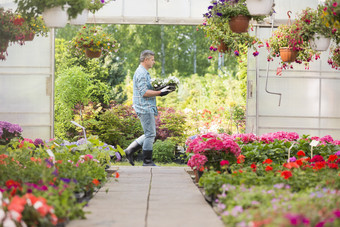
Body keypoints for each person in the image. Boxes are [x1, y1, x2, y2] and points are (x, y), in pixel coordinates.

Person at [124, 50, 174, 166]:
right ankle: (147, 161)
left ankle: (129, 150)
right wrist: (160, 93)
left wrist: (162, 88)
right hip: (143, 107)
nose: (154, 62)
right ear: (146, 60)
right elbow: (144, 92)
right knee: (150, 134)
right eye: (152, 59)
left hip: (146, 106)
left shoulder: (144, 72)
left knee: (149, 133)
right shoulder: (141, 73)